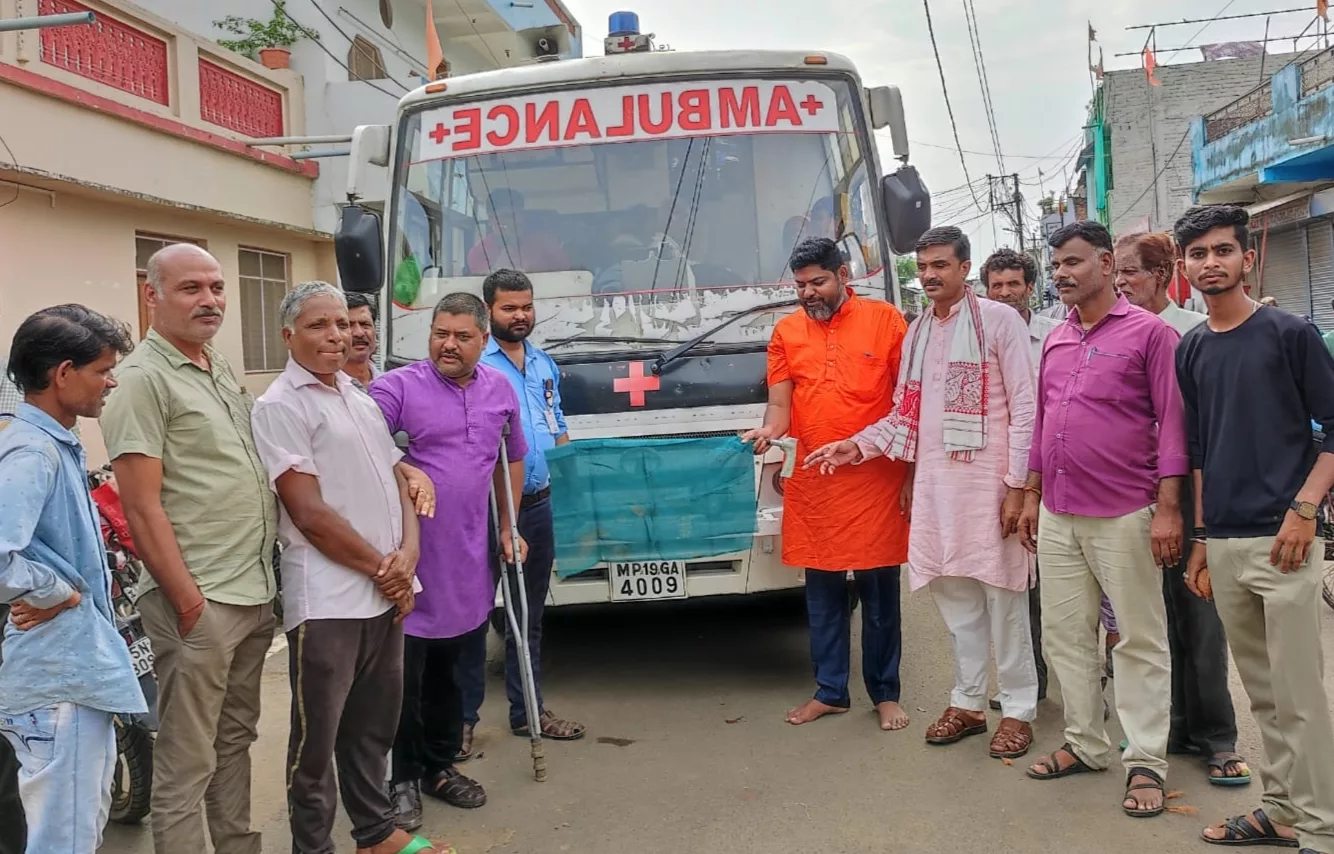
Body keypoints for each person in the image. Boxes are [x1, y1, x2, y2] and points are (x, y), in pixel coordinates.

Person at [807, 227, 1039, 758]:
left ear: (964, 268)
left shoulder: (999, 322)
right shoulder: (918, 333)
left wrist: (1018, 487)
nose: (930, 275)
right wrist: (856, 446)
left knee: (1004, 600)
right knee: (956, 602)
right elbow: (905, 416)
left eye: (940, 265)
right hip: (938, 487)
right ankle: (969, 702)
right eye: (924, 265)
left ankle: (1020, 709)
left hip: (990, 486)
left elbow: (1027, 410)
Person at [249, 282, 441, 854]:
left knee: (371, 730)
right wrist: (386, 569)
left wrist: (408, 557)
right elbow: (307, 512)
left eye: (343, 324)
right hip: (329, 600)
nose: (337, 335)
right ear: (288, 336)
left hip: (385, 594)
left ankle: (375, 834)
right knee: (315, 743)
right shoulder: (280, 405)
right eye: (319, 326)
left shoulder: (358, 397)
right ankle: (313, 846)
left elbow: (397, 477)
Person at [101, 243, 279, 854]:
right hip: (200, 599)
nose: (210, 300)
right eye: (190, 289)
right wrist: (187, 602)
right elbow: (141, 505)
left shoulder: (214, 364)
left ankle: (237, 846)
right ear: (152, 295)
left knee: (233, 741)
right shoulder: (141, 380)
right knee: (186, 756)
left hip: (252, 588)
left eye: (216, 287)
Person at [1174, 204, 1334, 853]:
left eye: (1222, 250)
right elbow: (1202, 452)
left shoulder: (1289, 334)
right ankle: (1280, 810)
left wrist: (1305, 511)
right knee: (1265, 698)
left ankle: (1321, 831)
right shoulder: (1192, 349)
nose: (1211, 262)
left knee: (1300, 698)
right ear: (1185, 269)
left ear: (1247, 258)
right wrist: (1203, 540)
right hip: (1227, 544)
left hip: (1286, 541)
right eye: (1199, 254)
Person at [1018, 221, 1184, 820]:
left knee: (1139, 641)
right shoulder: (1056, 340)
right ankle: (1085, 744)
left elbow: (1175, 427)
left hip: (1126, 512)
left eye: (1072, 262)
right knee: (1065, 635)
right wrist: (1033, 493)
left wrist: (1168, 508)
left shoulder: (1151, 335)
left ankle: (1145, 762)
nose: (1060, 273)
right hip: (1060, 513)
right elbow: (1041, 424)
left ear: (1108, 263)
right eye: (1056, 264)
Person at [742, 237, 912, 731]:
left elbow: (908, 404)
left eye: (818, 282)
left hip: (876, 478)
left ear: (843, 275)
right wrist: (769, 431)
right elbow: (779, 404)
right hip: (815, 480)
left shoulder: (885, 321)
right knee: (822, 594)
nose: (808, 293)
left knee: (881, 594)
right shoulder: (787, 331)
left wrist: (911, 474)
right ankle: (831, 690)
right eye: (799, 285)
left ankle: (885, 693)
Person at [370, 292, 527, 830]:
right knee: (403, 679)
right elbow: (359, 443)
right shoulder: (397, 388)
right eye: (440, 333)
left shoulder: (499, 389)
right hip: (409, 562)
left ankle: (439, 767)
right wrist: (405, 470)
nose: (448, 345)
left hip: (467, 557)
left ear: (485, 340)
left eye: (462, 336)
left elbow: (515, 458)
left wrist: (509, 527)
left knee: (451, 675)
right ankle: (402, 778)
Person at [0, 305, 144, 852]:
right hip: (56, 681)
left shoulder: (53, 442)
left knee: (75, 827)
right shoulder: (32, 451)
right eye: (103, 370)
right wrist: (53, 589)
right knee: (65, 837)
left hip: (69, 673)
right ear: (63, 374)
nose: (111, 382)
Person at [1114, 230, 1248, 785]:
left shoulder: (1194, 333)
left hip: (1193, 487)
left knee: (1199, 612)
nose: (1121, 282)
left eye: (1129, 272)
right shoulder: (1115, 333)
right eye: (1116, 272)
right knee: (1149, 616)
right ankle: (1168, 727)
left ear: (1162, 273)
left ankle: (1216, 736)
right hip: (1133, 489)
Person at [459, 270, 584, 760]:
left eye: (527, 307)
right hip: (484, 510)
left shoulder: (543, 364)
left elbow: (558, 427)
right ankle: (462, 722)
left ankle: (528, 712)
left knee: (527, 615)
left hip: (536, 505)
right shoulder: (477, 367)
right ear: (489, 311)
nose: (521, 316)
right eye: (510, 308)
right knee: (471, 617)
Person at [981, 247, 1055, 704]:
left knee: (1066, 585)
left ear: (1030, 287)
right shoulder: (976, 338)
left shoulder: (1055, 337)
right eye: (997, 286)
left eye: (1014, 284)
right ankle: (1032, 681)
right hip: (1008, 477)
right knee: (1018, 584)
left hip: (1056, 475)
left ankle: (1090, 682)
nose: (1005, 293)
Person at [466, 189, 569, 275]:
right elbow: (485, 283)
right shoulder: (478, 253)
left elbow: (568, 272)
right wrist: (506, 244)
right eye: (508, 216)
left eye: (519, 215)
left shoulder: (546, 243)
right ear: (492, 218)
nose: (517, 221)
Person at [344, 292, 381, 391]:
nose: (359, 333)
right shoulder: (324, 389)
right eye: (349, 325)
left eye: (365, 324)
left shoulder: (392, 385)